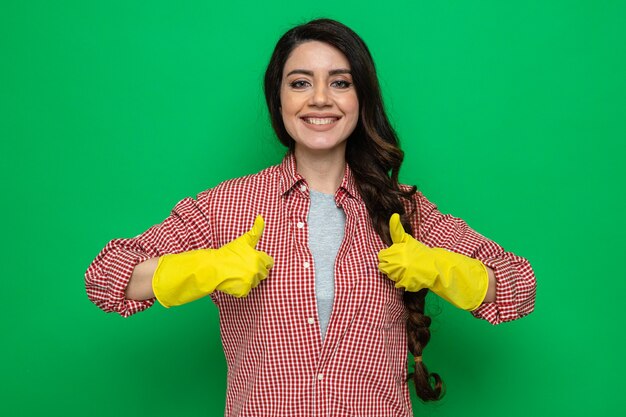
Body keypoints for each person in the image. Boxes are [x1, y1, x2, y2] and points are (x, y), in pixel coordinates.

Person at [85, 18, 536, 417]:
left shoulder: (405, 211)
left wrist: (444, 268)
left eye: (340, 83)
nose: (320, 99)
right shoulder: (225, 207)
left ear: (362, 99)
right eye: (300, 83)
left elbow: (518, 289)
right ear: (277, 99)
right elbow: (105, 278)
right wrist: (201, 268)